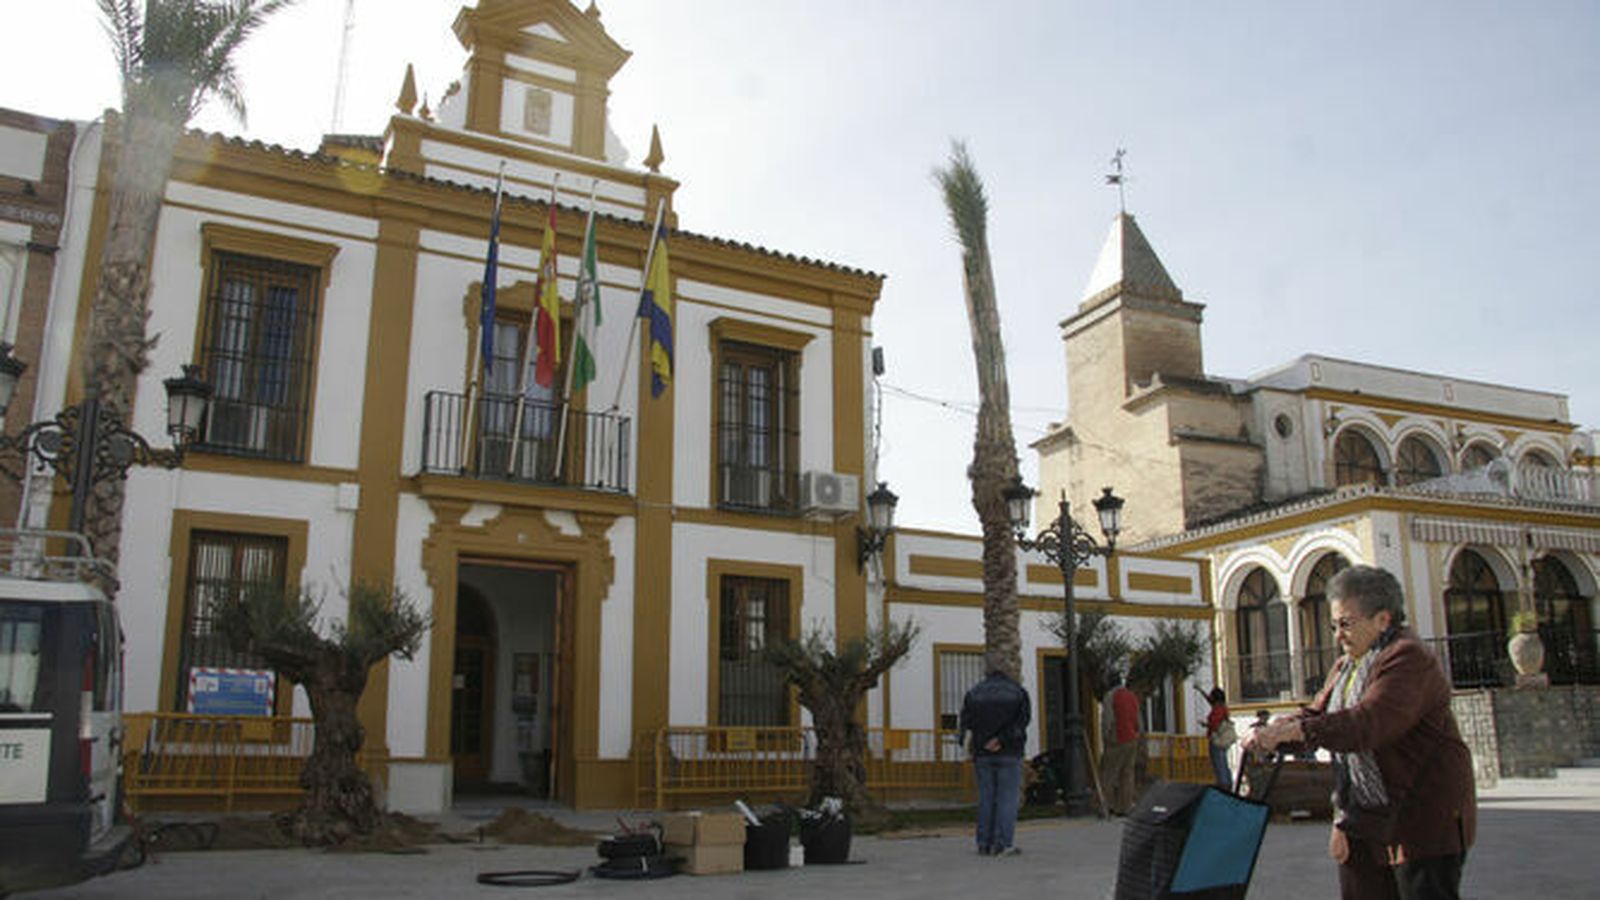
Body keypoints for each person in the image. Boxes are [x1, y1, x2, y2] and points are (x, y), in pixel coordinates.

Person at [1243, 565, 1476, 900]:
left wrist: (1295, 731)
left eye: (1345, 624)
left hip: (1420, 817)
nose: (1337, 635)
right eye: (1334, 625)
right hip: (1362, 816)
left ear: (1383, 620)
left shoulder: (1408, 659)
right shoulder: (1346, 665)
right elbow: (1317, 713)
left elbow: (1366, 724)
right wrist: (1274, 730)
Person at [959, 655, 1031, 857]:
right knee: (1007, 798)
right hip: (1009, 752)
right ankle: (1003, 843)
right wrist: (1001, 740)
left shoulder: (974, 692)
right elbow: (1022, 722)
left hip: (982, 754)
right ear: (1007, 671)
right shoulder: (1018, 692)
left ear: (987, 672)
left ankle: (984, 843)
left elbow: (966, 722)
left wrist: (981, 743)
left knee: (986, 797)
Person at [1098, 672, 1140, 814]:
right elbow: (1138, 718)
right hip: (1132, 738)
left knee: (1108, 773)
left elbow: (1107, 718)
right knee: (1127, 774)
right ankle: (1125, 806)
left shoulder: (1110, 696)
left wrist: (1105, 736)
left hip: (1117, 738)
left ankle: (1106, 806)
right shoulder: (1131, 695)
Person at [1202, 687, 1235, 789]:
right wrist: (1201, 690)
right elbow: (1209, 700)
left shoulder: (1217, 710)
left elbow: (1215, 725)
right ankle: (1228, 783)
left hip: (1217, 739)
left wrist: (1206, 725)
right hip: (1224, 740)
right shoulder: (1223, 707)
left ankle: (1223, 785)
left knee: (1219, 764)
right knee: (1224, 762)